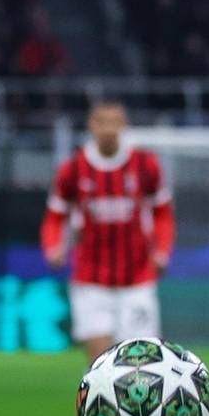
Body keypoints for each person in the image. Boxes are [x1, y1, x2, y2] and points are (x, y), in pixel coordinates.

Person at [41, 101, 174, 362]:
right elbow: (55, 216)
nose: (109, 129)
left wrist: (162, 250)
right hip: (91, 281)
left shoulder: (145, 165)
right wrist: (53, 246)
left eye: (115, 122)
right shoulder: (74, 169)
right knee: (101, 364)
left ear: (124, 125)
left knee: (141, 365)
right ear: (92, 126)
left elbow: (163, 213)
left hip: (137, 279)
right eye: (103, 123)